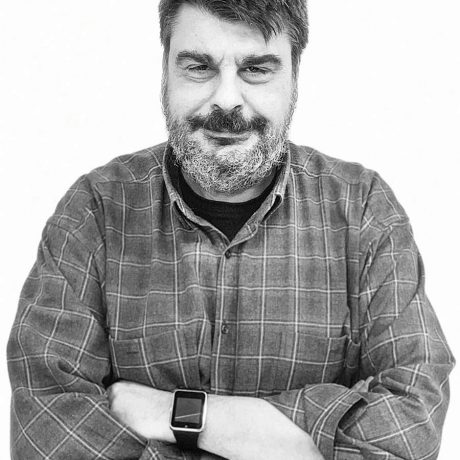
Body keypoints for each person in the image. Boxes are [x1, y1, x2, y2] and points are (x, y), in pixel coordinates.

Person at [7, 0, 454, 459]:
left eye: (255, 69)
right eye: (199, 67)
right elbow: (46, 434)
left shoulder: (363, 210)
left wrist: (176, 415)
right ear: (165, 72)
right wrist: (289, 443)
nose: (226, 99)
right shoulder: (96, 211)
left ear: (295, 77)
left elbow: (411, 423)